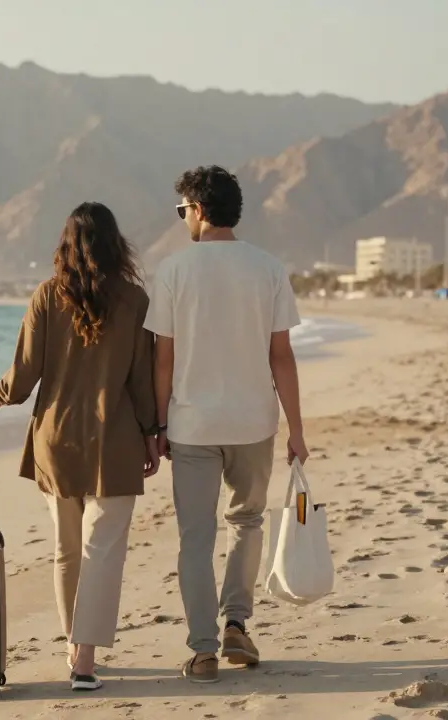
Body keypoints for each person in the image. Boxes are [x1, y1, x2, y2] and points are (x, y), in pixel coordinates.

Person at [0, 201, 159, 692]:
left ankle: (73, 646)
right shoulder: (136, 301)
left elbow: (26, 369)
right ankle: (84, 657)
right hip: (114, 438)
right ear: (115, 244)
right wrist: (153, 432)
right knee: (103, 551)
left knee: (66, 550)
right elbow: (142, 380)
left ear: (66, 244)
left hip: (55, 439)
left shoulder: (46, 296)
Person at [145, 166, 308, 684]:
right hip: (254, 423)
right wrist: (297, 430)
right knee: (247, 522)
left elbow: (162, 361)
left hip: (192, 426)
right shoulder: (267, 268)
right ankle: (237, 622)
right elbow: (281, 357)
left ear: (197, 209)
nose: (182, 220)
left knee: (195, 538)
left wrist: (158, 423)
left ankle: (203, 651)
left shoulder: (173, 271)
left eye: (182, 211)